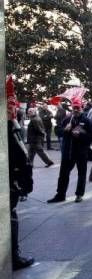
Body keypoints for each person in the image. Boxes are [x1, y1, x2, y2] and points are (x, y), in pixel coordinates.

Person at [47, 98, 92, 203]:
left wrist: (81, 135)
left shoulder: (86, 121)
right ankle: (60, 195)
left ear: (81, 108)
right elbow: (57, 131)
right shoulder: (67, 119)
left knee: (81, 174)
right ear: (72, 109)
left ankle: (79, 194)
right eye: (74, 108)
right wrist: (65, 130)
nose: (76, 110)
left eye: (78, 108)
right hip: (67, 152)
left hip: (81, 152)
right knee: (63, 174)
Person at [8, 102, 35, 270]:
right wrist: (26, 182)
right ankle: (14, 256)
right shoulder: (10, 127)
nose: (15, 109)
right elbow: (21, 156)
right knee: (11, 215)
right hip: (10, 179)